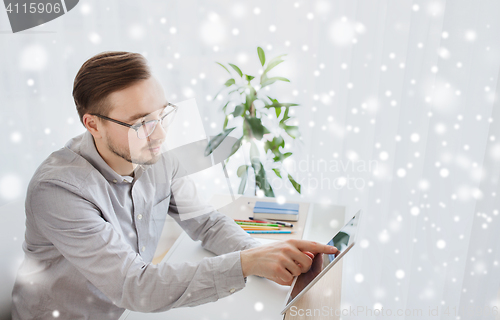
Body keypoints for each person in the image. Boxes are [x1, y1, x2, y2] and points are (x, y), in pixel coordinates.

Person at [11, 51, 338, 319]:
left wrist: (262, 254)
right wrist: (246, 263)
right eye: (141, 122)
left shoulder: (153, 154)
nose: (160, 134)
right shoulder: (58, 190)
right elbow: (134, 286)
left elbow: (206, 222)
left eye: (162, 114)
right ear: (92, 124)